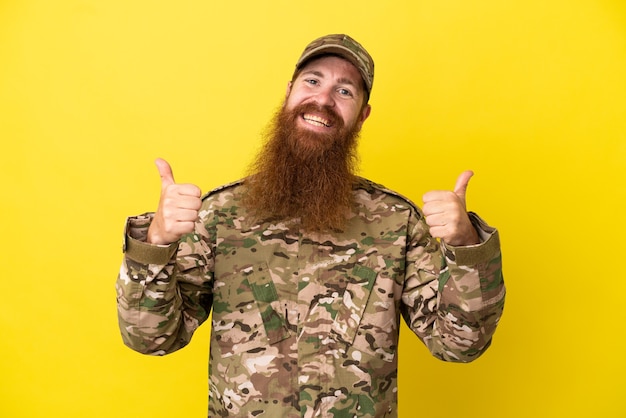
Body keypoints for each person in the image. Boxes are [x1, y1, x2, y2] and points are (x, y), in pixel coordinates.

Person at [116, 34, 505, 418]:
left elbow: (460, 345)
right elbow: (150, 339)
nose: (323, 100)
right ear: (289, 92)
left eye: (345, 91)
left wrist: (467, 247)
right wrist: (156, 244)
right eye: (313, 81)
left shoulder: (396, 222)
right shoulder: (219, 215)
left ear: (363, 114)